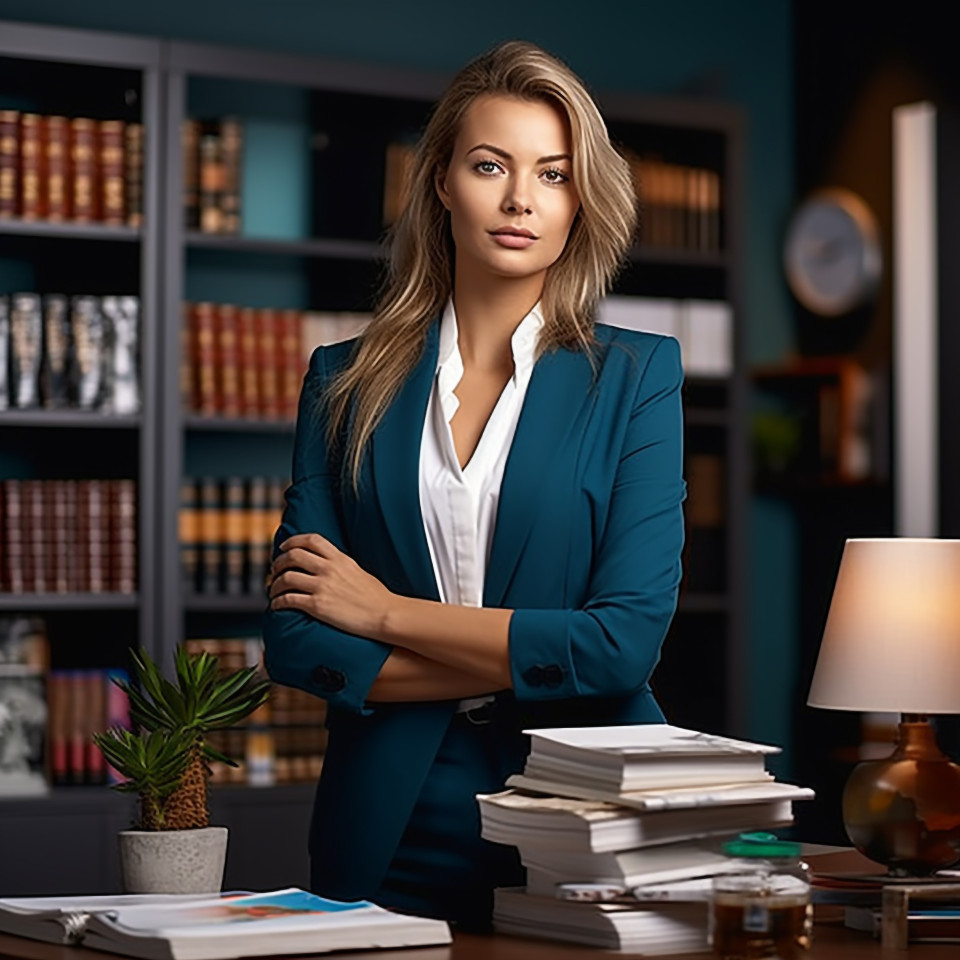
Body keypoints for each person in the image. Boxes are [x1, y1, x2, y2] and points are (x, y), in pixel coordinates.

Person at [261, 38, 686, 930]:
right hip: (387, 824)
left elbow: (621, 650)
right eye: (491, 165)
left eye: (554, 174)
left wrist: (381, 616)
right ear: (443, 182)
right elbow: (300, 643)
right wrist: (523, 659)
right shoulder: (342, 381)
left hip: (589, 813)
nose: (521, 199)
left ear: (581, 200)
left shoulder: (639, 377)